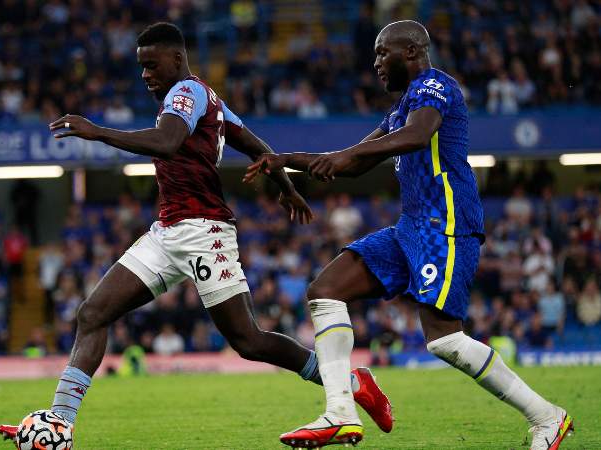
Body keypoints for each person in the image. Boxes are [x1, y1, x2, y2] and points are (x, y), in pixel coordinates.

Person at [0, 22, 392, 445]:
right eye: (140, 67)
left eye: (152, 65)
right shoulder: (210, 100)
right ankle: (59, 419)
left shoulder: (185, 93)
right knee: (93, 313)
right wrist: (288, 190)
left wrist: (97, 132)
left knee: (249, 340)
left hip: (206, 233)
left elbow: (167, 142)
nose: (145, 74)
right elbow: (258, 147)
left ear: (177, 58)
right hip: (167, 232)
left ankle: (350, 383)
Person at [245, 20, 572, 450]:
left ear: (413, 52)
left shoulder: (435, 87)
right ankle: (340, 412)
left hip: (446, 223)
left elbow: (418, 137)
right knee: (325, 290)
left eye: (384, 53)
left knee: (445, 339)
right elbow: (355, 162)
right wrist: (284, 159)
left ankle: (547, 417)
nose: (376, 62)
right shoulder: (399, 110)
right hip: (410, 227)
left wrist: (345, 155)